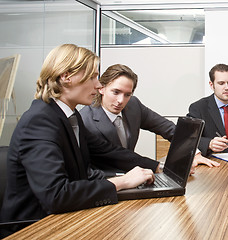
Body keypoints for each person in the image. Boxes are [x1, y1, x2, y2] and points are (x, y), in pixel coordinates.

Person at [0, 44, 157, 234]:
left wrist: (158, 167)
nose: (98, 85)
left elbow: (108, 151)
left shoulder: (68, 116)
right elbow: (56, 195)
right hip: (34, 229)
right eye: (92, 77)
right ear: (66, 77)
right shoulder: (39, 121)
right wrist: (122, 182)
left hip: (65, 219)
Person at [80, 64, 219, 175]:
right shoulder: (85, 120)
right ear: (101, 88)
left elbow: (168, 129)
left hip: (136, 178)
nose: (121, 101)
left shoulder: (133, 106)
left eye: (127, 94)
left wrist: (195, 153)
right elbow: (117, 157)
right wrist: (158, 167)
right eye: (115, 92)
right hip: (105, 183)